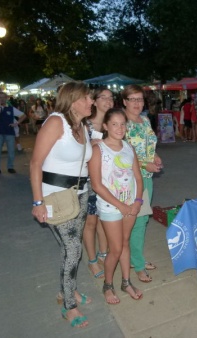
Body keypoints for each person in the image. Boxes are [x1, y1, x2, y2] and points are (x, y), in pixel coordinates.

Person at [30, 81, 93, 328]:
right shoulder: (56, 122)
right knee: (73, 250)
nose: (91, 102)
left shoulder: (82, 125)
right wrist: (38, 202)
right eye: (87, 98)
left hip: (80, 194)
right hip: (55, 197)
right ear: (73, 100)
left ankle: (69, 290)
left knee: (70, 251)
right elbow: (35, 163)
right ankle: (69, 304)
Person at [89, 108, 144, 304]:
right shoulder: (98, 150)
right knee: (115, 249)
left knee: (125, 244)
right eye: (114, 124)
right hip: (111, 207)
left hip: (130, 206)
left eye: (123, 124)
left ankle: (126, 282)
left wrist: (138, 201)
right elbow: (96, 185)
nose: (120, 128)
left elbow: (138, 177)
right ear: (105, 126)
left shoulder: (129, 148)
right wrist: (121, 205)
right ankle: (108, 284)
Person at [123, 84, 163, 283]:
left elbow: (149, 145)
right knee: (137, 222)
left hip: (146, 178)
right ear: (124, 102)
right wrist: (144, 165)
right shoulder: (122, 124)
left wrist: (154, 157)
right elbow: (120, 156)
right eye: (133, 99)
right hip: (130, 180)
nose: (137, 103)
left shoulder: (145, 120)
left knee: (143, 220)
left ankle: (135, 258)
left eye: (140, 99)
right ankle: (137, 265)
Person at [83, 87, 114, 279]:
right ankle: (92, 261)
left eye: (111, 98)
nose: (109, 101)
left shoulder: (113, 122)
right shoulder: (84, 124)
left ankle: (103, 254)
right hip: (88, 179)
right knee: (91, 222)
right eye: (104, 97)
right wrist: (90, 146)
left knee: (105, 219)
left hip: (109, 178)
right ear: (94, 101)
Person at [0, 92, 26, 175]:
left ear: (6, 98)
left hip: (9, 133)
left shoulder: (11, 108)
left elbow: (23, 115)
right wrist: (0, 107)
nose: (2, 99)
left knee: (11, 151)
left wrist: (16, 123)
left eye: (3, 97)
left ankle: (10, 167)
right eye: (0, 97)